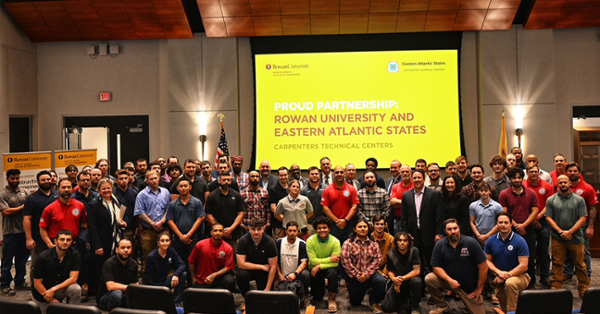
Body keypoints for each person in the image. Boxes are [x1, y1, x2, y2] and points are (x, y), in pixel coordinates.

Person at [426, 219, 488, 314]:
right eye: (449, 229)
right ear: (445, 231)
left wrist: (479, 289)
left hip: (469, 288)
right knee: (429, 278)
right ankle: (442, 306)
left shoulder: (471, 243)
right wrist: (450, 281)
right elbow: (436, 267)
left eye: (455, 228)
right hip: (450, 282)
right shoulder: (439, 245)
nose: (453, 231)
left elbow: (483, 267)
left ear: (459, 228)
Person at [544, 175, 590, 297]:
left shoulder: (579, 200)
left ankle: (584, 288)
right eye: (560, 182)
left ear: (570, 183)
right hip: (557, 238)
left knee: (580, 265)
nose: (563, 184)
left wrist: (570, 232)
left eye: (565, 182)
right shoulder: (551, 200)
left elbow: (583, 218)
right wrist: (560, 231)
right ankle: (556, 288)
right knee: (557, 264)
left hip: (576, 238)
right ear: (557, 184)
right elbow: (548, 217)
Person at [498, 167, 539, 288]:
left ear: (523, 178)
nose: (516, 180)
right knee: (512, 256)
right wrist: (516, 225)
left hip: (528, 229)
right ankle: (512, 281)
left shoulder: (531, 193)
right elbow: (505, 213)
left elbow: (535, 210)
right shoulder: (504, 194)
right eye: (514, 178)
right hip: (511, 229)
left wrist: (524, 225)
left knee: (530, 255)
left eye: (519, 177)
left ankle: (530, 283)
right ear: (510, 179)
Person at [400, 169, 445, 275]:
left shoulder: (434, 194)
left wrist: (439, 233)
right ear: (411, 180)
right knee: (416, 264)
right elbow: (404, 217)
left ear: (424, 179)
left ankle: (434, 287)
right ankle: (420, 288)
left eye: (419, 177)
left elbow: (440, 215)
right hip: (413, 236)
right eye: (414, 178)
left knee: (433, 263)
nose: (417, 180)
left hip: (431, 235)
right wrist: (406, 234)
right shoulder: (406, 196)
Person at [484, 212, 530, 313]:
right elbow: (487, 261)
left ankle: (512, 312)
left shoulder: (520, 241)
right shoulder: (491, 240)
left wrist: (506, 275)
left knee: (510, 283)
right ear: (497, 224)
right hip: (500, 276)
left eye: (506, 222)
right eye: (500, 222)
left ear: (511, 224)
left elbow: (524, 266)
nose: (503, 225)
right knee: (501, 295)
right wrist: (499, 273)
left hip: (520, 276)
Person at [87, 178, 126, 299]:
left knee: (115, 267)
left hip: (117, 241)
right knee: (102, 268)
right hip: (103, 243)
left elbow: (119, 218)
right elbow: (92, 227)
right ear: (99, 190)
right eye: (103, 188)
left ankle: (116, 290)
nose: (106, 190)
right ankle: (101, 295)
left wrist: (123, 223)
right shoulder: (94, 204)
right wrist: (97, 246)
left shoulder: (116, 200)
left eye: (108, 188)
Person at [341, 219, 386, 314]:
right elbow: (345, 262)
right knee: (355, 303)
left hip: (370, 275)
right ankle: (356, 290)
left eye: (364, 227)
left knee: (381, 281)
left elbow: (377, 261)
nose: (362, 229)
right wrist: (358, 275)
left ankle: (374, 301)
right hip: (355, 277)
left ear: (368, 229)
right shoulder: (348, 243)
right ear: (354, 229)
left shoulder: (374, 244)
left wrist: (366, 275)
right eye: (359, 227)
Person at [32, 230, 81, 313]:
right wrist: (54, 302)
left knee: (76, 289)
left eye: (68, 240)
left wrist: (54, 289)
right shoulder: (43, 257)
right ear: (55, 241)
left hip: (57, 289)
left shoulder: (74, 255)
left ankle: (72, 311)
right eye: (62, 239)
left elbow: (73, 278)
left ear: (71, 242)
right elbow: (37, 283)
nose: (65, 242)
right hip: (43, 293)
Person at [563, 162, 597, 281]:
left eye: (575, 171)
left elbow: (593, 208)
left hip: (583, 225)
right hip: (566, 225)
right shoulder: (563, 187)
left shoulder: (587, 188)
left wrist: (591, 227)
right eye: (570, 171)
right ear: (566, 173)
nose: (572, 173)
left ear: (579, 172)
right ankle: (567, 273)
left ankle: (586, 275)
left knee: (583, 252)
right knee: (567, 250)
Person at [23, 171, 59, 284]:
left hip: (56, 237)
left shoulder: (57, 195)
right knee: (37, 264)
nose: (46, 181)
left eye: (48, 179)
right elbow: (27, 219)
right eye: (43, 180)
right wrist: (29, 238)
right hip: (38, 238)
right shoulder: (32, 198)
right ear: (38, 182)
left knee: (55, 264)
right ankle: (35, 289)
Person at [522, 164, 555, 288]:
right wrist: (532, 220)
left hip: (544, 221)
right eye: (531, 172)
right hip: (527, 222)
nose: (534, 174)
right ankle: (529, 279)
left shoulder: (547, 186)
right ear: (528, 173)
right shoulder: (523, 185)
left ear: (539, 172)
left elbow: (549, 204)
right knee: (529, 251)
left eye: (536, 171)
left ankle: (545, 276)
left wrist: (537, 218)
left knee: (544, 251)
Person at [134, 170, 171, 277]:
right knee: (148, 259)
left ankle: (164, 284)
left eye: (156, 178)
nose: (154, 181)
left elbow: (169, 209)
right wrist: (153, 223)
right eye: (151, 179)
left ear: (159, 178)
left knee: (165, 258)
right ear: (147, 180)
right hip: (148, 231)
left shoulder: (165, 192)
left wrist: (162, 221)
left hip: (163, 230)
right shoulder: (142, 195)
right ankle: (147, 287)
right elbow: (139, 212)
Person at [0, 168, 31, 295]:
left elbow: (31, 208)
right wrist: (23, 208)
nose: (15, 180)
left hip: (24, 232)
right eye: (12, 178)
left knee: (22, 260)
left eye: (17, 178)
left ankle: (19, 281)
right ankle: (5, 285)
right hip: (10, 233)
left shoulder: (25, 191)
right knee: (7, 261)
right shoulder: (2, 194)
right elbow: (6, 212)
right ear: (7, 179)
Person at [166, 178, 205, 278]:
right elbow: (170, 221)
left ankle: (191, 286)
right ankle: (180, 286)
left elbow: (200, 219)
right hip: (177, 239)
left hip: (192, 238)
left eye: (185, 186)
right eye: (181, 186)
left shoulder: (197, 202)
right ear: (177, 188)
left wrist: (188, 235)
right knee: (178, 263)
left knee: (192, 263)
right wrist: (181, 236)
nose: (183, 188)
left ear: (190, 187)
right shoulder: (173, 204)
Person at [236, 218, 278, 303]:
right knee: (240, 274)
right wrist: (261, 267)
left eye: (259, 229)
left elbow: (273, 267)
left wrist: (268, 289)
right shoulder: (243, 240)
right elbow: (241, 264)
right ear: (249, 229)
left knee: (263, 297)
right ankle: (247, 297)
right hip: (251, 269)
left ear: (263, 229)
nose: (256, 232)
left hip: (264, 272)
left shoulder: (270, 242)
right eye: (253, 229)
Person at [40, 178, 87, 249]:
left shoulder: (80, 205)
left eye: (69, 187)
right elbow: (42, 228)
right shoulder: (49, 208)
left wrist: (81, 238)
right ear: (58, 189)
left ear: (72, 189)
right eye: (63, 187)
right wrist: (49, 244)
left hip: (75, 245)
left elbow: (84, 224)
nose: (66, 190)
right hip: (56, 245)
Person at [306, 216, 341, 313]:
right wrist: (330, 259)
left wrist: (320, 265)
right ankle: (324, 283)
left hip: (328, 268)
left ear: (329, 229)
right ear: (316, 229)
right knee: (317, 297)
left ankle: (332, 298)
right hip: (315, 269)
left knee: (333, 273)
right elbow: (312, 261)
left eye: (324, 228)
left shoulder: (335, 242)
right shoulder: (310, 241)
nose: (322, 230)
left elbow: (336, 263)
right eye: (319, 228)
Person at [382, 232, 422, 314]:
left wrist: (402, 279)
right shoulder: (391, 253)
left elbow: (417, 271)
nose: (402, 242)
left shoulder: (414, 251)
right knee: (387, 307)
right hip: (397, 281)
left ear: (409, 242)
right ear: (396, 242)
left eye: (405, 240)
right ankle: (405, 300)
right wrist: (395, 280)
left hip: (410, 280)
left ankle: (415, 307)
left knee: (417, 281)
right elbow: (390, 271)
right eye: (400, 240)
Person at [188, 223, 236, 292]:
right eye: (215, 230)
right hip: (202, 279)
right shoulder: (200, 245)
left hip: (218, 277)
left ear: (223, 233)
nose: (218, 233)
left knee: (230, 281)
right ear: (211, 233)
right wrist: (193, 278)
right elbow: (191, 262)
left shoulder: (228, 248)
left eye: (220, 231)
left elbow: (228, 267)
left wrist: (214, 275)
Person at [96, 238, 139, 312]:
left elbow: (136, 284)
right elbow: (110, 286)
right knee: (117, 293)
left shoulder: (133, 264)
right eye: (123, 248)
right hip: (106, 297)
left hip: (125, 294)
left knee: (138, 295)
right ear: (117, 250)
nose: (126, 250)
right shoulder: (109, 263)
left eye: (128, 247)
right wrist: (130, 288)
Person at [145, 232, 186, 306]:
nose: (165, 243)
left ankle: (176, 302)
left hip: (165, 282)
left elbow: (182, 264)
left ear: (170, 242)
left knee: (183, 274)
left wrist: (176, 275)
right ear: (158, 243)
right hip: (154, 286)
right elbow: (148, 278)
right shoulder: (151, 257)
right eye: (162, 241)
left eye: (167, 240)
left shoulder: (171, 251)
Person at [205, 172, 244, 250]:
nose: (226, 182)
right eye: (224, 180)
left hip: (233, 234)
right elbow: (208, 215)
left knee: (232, 257)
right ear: (219, 181)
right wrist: (221, 231)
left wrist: (231, 229)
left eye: (228, 180)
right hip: (216, 234)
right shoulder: (212, 196)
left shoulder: (237, 195)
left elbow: (240, 214)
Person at [321, 165, 360, 243]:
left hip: (348, 224)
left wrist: (345, 220)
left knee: (349, 247)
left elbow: (355, 206)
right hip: (333, 224)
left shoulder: (351, 189)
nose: (339, 174)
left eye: (341, 172)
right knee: (335, 247)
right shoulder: (327, 189)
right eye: (337, 172)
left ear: (345, 174)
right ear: (333, 175)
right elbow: (325, 207)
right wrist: (337, 221)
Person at [276, 221, 310, 307]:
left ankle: (305, 296)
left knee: (306, 274)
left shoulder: (302, 244)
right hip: (283, 276)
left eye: (294, 231)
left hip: (296, 275)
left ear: (297, 232)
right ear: (286, 231)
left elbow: (304, 263)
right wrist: (279, 274)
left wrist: (295, 274)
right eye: (290, 231)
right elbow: (274, 261)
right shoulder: (279, 242)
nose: (292, 233)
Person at [470, 182, 503, 247]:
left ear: (489, 191)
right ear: (478, 192)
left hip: (493, 236)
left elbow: (499, 223)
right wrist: (479, 236)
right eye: (481, 191)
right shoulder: (473, 205)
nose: (484, 193)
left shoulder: (497, 206)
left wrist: (486, 236)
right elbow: (471, 222)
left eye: (486, 190)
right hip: (478, 237)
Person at [390, 165, 414, 233]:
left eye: (407, 171)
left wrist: (399, 202)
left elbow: (415, 203)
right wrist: (407, 203)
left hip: (412, 220)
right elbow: (392, 202)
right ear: (400, 173)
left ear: (411, 172)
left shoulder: (415, 186)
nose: (405, 173)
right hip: (398, 220)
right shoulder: (395, 186)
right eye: (403, 172)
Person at [301, 166, 325, 235]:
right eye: (312, 174)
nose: (314, 176)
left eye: (316, 174)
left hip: (323, 223)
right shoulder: (303, 190)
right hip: (309, 224)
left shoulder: (326, 188)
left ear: (319, 175)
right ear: (308, 175)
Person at [269, 167, 290, 240]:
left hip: (292, 225)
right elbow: (273, 207)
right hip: (278, 225)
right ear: (278, 176)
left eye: (285, 175)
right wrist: (284, 219)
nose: (283, 177)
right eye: (281, 175)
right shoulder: (273, 189)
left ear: (288, 175)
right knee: (279, 247)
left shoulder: (292, 188)